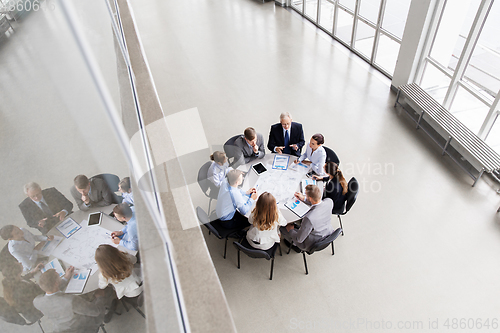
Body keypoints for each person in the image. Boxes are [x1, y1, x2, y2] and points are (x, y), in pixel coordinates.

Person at [33, 266, 113, 332]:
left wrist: (65, 278)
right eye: (58, 277)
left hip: (61, 329)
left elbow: (52, 289)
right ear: (56, 283)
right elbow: (95, 311)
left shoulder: (37, 301)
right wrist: (100, 297)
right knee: (106, 291)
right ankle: (110, 310)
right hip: (83, 328)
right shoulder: (70, 301)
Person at [280, 185, 334, 252]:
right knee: (297, 226)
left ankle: (295, 245)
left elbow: (299, 239)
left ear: (310, 198)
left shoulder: (309, 218)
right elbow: (317, 202)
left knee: (282, 228)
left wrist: (290, 230)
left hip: (312, 242)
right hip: (327, 232)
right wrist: (304, 199)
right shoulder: (329, 201)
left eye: (306, 195)